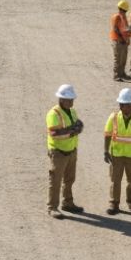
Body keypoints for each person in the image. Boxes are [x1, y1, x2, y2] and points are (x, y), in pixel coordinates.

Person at [103, 88, 131, 216]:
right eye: (123, 104)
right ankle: (114, 203)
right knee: (115, 180)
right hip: (116, 155)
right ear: (120, 105)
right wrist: (106, 151)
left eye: (128, 104)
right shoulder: (113, 117)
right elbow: (107, 134)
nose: (125, 107)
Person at [46, 83, 84, 219]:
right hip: (58, 152)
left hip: (71, 150)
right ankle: (52, 207)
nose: (72, 102)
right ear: (61, 99)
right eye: (69, 99)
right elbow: (55, 134)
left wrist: (73, 129)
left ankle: (68, 202)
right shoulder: (53, 114)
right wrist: (73, 131)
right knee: (55, 180)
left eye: (72, 99)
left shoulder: (72, 111)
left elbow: (78, 124)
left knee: (69, 179)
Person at [110, 0, 131, 81]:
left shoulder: (123, 17)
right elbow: (116, 29)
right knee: (118, 59)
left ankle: (122, 73)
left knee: (123, 59)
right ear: (121, 9)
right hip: (118, 41)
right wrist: (122, 39)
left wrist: (127, 38)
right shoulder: (116, 17)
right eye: (125, 11)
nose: (125, 12)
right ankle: (116, 75)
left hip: (124, 41)